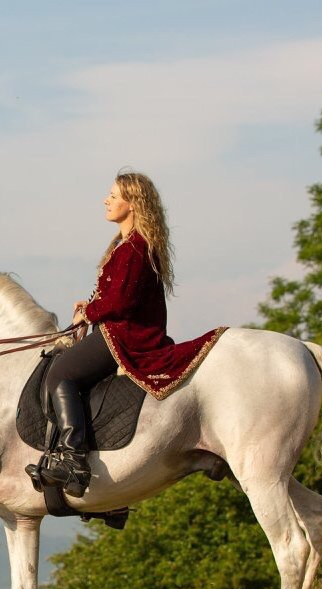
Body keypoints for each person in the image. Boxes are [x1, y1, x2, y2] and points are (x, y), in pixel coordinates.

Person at [27, 170, 226, 497]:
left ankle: (73, 458)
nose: (106, 200)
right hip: (118, 329)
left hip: (125, 336)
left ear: (132, 204)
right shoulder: (128, 245)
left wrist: (89, 313)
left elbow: (122, 300)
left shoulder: (133, 248)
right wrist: (90, 304)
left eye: (114, 196)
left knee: (60, 373)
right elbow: (119, 294)